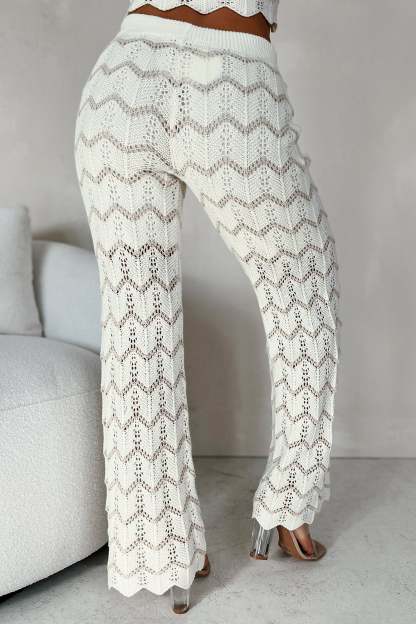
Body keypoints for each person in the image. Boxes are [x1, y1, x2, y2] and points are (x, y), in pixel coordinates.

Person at [74, 0, 341, 614]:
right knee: (304, 285)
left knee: (136, 324)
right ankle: (288, 504)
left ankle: (164, 552)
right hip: (231, 82)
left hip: (122, 83)